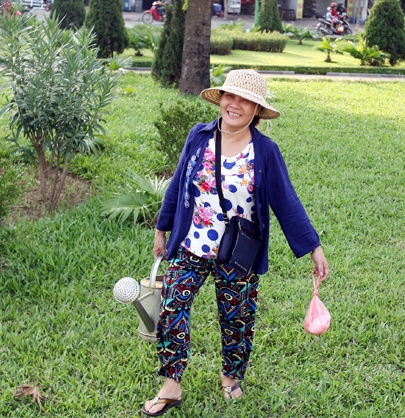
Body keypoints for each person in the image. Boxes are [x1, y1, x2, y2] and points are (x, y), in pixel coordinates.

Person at [141, 69, 329, 416]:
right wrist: (161, 230)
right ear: (221, 99)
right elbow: (178, 184)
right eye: (230, 96)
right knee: (171, 308)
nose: (235, 105)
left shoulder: (265, 151)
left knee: (236, 318)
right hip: (192, 244)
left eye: (245, 100)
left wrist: (313, 247)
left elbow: (286, 202)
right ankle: (171, 384)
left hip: (238, 251)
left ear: (257, 110)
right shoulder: (199, 136)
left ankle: (231, 377)